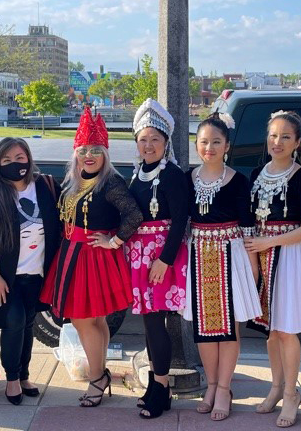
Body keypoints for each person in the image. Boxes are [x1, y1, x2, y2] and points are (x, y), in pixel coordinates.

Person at [40, 108, 142, 407]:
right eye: (84, 150)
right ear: (76, 152)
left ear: (105, 154)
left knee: (86, 320)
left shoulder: (111, 182)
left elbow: (134, 215)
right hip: (71, 254)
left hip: (95, 258)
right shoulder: (71, 181)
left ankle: (97, 378)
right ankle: (100, 373)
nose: (89, 155)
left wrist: (114, 241)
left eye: (96, 150)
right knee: (91, 321)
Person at [244, 110, 301, 428]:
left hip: (290, 257)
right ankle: (276, 387)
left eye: (285, 136)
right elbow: (250, 221)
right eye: (273, 135)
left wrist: (269, 243)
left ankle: (292, 393)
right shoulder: (256, 174)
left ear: (298, 142)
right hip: (263, 258)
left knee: (287, 329)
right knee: (271, 330)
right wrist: (255, 253)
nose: (277, 142)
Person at [0, 137, 61, 405]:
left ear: (28, 158)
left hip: (38, 274)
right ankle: (11, 379)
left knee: (29, 323)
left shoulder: (45, 186)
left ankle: (24, 375)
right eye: (7, 160)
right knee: (14, 321)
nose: (14, 164)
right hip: (5, 278)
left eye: (19, 158)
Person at [185, 111, 262, 422]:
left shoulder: (238, 180)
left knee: (228, 327)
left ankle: (225, 388)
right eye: (204, 142)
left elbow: (247, 226)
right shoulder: (188, 178)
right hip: (198, 254)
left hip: (230, 255)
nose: (209, 148)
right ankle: (212, 384)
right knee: (204, 328)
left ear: (227, 145)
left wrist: (253, 266)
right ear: (196, 145)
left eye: (216, 142)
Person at [124, 99, 189, 419]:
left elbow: (180, 221)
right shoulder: (137, 173)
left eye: (155, 140)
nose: (148, 145)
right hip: (138, 255)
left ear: (166, 143)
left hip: (161, 257)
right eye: (143, 140)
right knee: (148, 325)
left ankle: (162, 387)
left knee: (156, 323)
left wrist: (164, 260)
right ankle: (156, 386)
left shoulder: (173, 175)